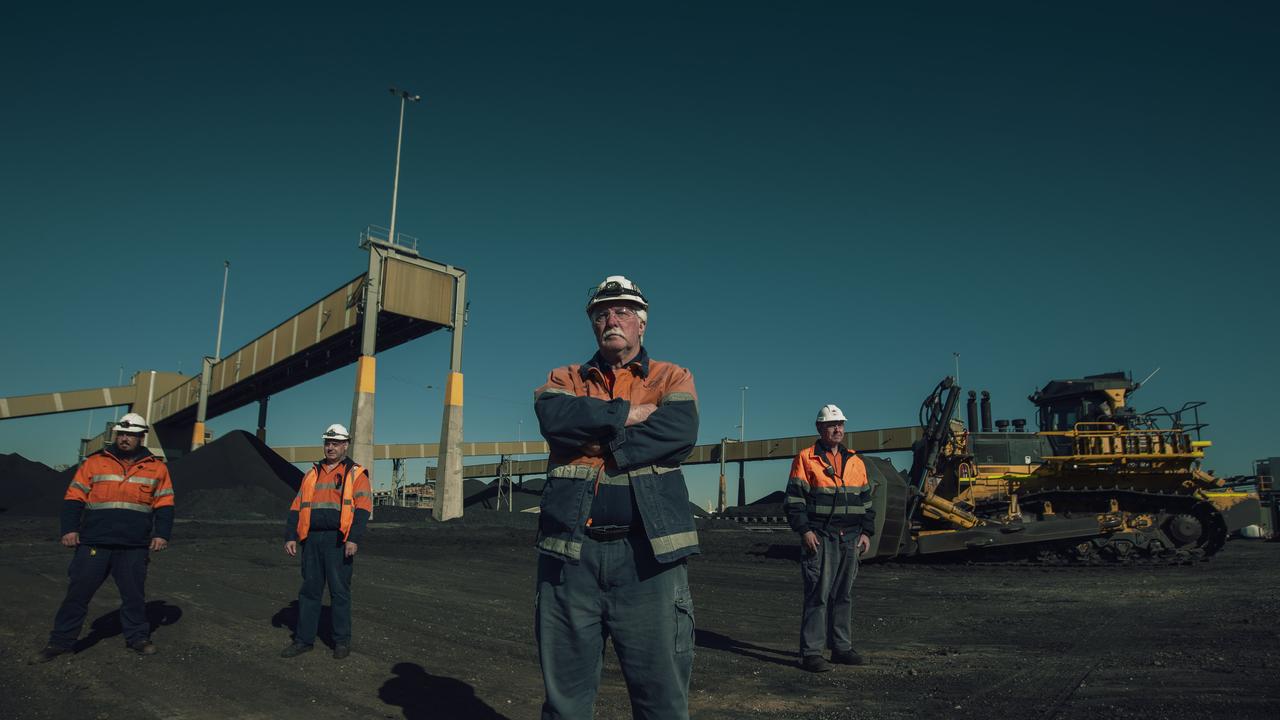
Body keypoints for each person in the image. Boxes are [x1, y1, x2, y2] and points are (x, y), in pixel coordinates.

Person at [533, 275, 700, 720]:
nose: (612, 319)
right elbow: (554, 419)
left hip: (648, 558)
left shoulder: (673, 376)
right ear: (592, 324)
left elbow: (678, 432)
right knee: (565, 702)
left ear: (641, 324)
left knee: (661, 699)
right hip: (571, 556)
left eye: (623, 311)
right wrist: (629, 414)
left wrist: (597, 442)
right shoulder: (563, 377)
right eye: (602, 313)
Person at [29, 413, 175, 663]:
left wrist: (161, 533)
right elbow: (74, 499)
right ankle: (60, 642)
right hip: (95, 541)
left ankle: (138, 638)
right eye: (121, 434)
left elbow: (165, 504)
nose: (125, 438)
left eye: (130, 435)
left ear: (142, 437)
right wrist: (69, 529)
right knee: (78, 594)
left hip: (133, 545)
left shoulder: (157, 468)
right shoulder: (94, 463)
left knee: (133, 596)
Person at [783, 403, 875, 672]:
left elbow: (867, 501)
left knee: (843, 595)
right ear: (820, 428)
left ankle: (841, 648)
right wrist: (805, 531)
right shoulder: (806, 458)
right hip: (821, 535)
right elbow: (794, 501)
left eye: (841, 424)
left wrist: (867, 532)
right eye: (832, 425)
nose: (838, 429)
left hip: (851, 537)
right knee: (818, 594)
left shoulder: (856, 461)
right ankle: (812, 652)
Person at [279, 423, 373, 660]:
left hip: (338, 540)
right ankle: (303, 640)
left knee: (339, 592)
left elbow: (362, 509)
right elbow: (297, 506)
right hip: (311, 539)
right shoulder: (311, 473)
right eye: (327, 443)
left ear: (345, 445)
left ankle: (341, 641)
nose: (330, 447)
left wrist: (354, 539)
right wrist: (291, 535)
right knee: (309, 591)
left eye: (335, 443)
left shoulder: (356, 473)